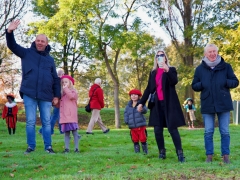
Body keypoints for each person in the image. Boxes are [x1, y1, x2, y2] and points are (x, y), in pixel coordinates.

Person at [6, 20, 61, 154]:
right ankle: (31, 146)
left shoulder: (50, 60)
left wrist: (57, 95)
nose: (40, 43)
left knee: (47, 122)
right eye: (38, 40)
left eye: (42, 41)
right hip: (29, 93)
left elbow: (55, 78)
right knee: (30, 122)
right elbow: (12, 46)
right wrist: (9, 32)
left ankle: (48, 147)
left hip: (46, 95)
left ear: (46, 43)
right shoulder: (26, 53)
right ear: (35, 42)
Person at [192, 44, 239, 164]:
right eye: (210, 52)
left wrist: (225, 82)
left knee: (225, 131)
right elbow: (194, 85)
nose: (212, 54)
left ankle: (226, 155)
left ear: (217, 52)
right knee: (208, 131)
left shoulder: (226, 67)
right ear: (205, 54)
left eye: (214, 51)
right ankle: (209, 156)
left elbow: (235, 81)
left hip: (223, 103)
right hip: (207, 103)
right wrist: (202, 84)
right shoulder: (200, 69)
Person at [137, 50, 186, 162]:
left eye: (161, 55)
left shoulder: (171, 69)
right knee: (157, 129)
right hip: (157, 104)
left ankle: (180, 153)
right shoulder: (153, 73)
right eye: (157, 56)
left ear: (165, 58)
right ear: (156, 59)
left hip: (170, 104)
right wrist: (141, 102)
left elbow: (174, 81)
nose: (159, 57)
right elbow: (149, 88)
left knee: (172, 129)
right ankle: (162, 152)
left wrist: (167, 70)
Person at [39, 68, 65, 134]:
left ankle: (43, 130)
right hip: (59, 101)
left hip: (54, 100)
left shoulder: (54, 80)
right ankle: (51, 130)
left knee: (55, 116)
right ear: (62, 74)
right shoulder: (61, 81)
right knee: (55, 116)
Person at [59, 75, 80, 153]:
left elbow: (71, 97)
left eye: (66, 82)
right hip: (65, 117)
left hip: (71, 116)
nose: (64, 84)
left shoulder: (73, 92)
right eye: (63, 82)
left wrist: (66, 89)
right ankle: (67, 148)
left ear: (70, 83)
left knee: (75, 132)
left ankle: (76, 148)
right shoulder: (62, 94)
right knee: (66, 133)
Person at [124, 89, 148, 154]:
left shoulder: (141, 103)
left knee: (143, 138)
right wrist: (126, 120)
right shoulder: (128, 106)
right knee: (135, 139)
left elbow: (145, 110)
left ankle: (145, 150)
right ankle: (137, 151)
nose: (133, 96)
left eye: (135, 95)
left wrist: (141, 108)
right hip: (132, 126)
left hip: (140, 125)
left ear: (138, 96)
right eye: (132, 95)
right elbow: (126, 114)